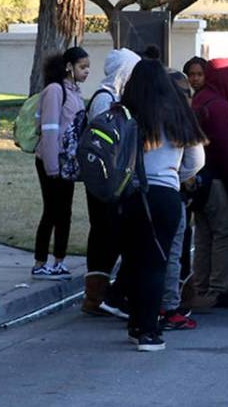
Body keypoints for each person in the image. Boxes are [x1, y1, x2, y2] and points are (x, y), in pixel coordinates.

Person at [119, 59, 205, 351]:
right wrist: (175, 176)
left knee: (134, 261)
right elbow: (196, 161)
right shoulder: (179, 114)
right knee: (157, 263)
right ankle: (150, 332)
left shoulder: (126, 113)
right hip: (165, 194)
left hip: (129, 195)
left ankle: (135, 323)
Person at [81, 48, 140, 315]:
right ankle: (96, 295)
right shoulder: (105, 100)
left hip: (110, 178)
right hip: (104, 180)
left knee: (109, 235)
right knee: (104, 235)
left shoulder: (112, 97)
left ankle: (101, 293)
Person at [191, 57, 228, 308]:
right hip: (217, 181)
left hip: (199, 180)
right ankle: (219, 289)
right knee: (226, 234)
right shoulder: (221, 108)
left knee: (204, 236)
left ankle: (201, 287)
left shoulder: (199, 100)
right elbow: (227, 152)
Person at [32, 46, 90, 280]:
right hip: (51, 161)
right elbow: (49, 129)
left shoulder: (75, 93)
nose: (86, 72)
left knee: (64, 212)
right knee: (52, 211)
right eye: (82, 67)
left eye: (88, 68)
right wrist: (52, 166)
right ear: (69, 67)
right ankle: (40, 262)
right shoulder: (55, 91)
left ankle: (59, 261)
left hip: (68, 163)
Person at [158, 70, 200, 330]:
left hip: (140, 192)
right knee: (172, 252)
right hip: (170, 191)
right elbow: (196, 161)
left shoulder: (141, 117)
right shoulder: (183, 121)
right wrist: (178, 174)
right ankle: (169, 307)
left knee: (149, 255)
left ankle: (145, 307)